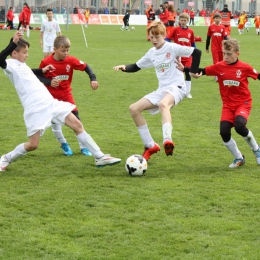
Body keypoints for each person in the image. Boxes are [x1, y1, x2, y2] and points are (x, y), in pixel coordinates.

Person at [0, 32, 121, 171]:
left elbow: (29, 73)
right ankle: (6, 158)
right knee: (33, 145)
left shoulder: (21, 64)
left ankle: (99, 156)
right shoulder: (9, 65)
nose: (27, 55)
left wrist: (42, 70)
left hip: (50, 102)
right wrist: (13, 43)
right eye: (24, 52)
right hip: (35, 108)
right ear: (14, 53)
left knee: (77, 124)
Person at [113, 21, 201, 161]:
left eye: (157, 37)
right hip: (162, 89)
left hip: (177, 87)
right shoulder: (151, 53)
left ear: (164, 35)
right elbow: (136, 66)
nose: (153, 40)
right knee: (134, 109)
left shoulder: (172, 47)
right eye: (151, 37)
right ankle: (150, 146)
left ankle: (167, 140)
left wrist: (194, 71)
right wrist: (125, 67)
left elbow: (196, 52)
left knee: (163, 104)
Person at [177, 39, 260, 168]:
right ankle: (239, 158)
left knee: (239, 126)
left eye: (229, 54)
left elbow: (258, 76)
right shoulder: (219, 66)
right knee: (224, 132)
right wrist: (186, 69)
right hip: (227, 105)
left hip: (243, 103)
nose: (225, 57)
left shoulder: (245, 67)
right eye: (224, 53)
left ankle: (257, 150)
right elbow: (202, 71)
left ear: (237, 53)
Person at [37, 35, 96, 156]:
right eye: (63, 51)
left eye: (68, 50)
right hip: (51, 98)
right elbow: (38, 75)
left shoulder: (71, 60)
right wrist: (48, 82)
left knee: (77, 121)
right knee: (55, 122)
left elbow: (86, 67)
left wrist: (93, 79)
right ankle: (63, 143)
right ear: (55, 49)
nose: (66, 53)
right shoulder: (46, 62)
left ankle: (83, 147)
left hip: (66, 96)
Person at [165, 12, 196, 98]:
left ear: (187, 21)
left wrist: (194, 53)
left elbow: (193, 44)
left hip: (188, 56)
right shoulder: (175, 29)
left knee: (188, 73)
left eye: (184, 20)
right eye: (181, 20)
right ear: (179, 20)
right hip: (178, 56)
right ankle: (177, 90)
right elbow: (167, 39)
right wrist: (168, 47)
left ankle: (187, 92)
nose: (183, 22)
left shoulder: (191, 31)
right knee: (178, 74)